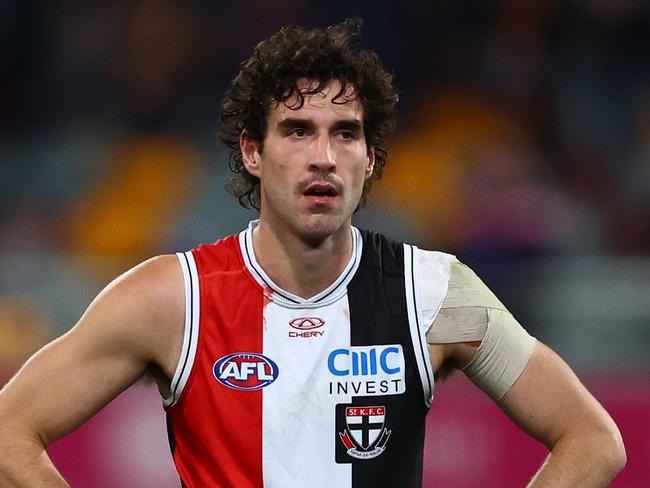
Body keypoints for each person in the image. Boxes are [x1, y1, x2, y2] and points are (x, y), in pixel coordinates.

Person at [0, 18, 625, 488]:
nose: (323, 156)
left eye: (346, 133)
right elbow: (7, 435)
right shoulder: (171, 299)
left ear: (370, 158)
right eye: (298, 131)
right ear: (253, 151)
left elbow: (593, 440)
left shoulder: (437, 295)